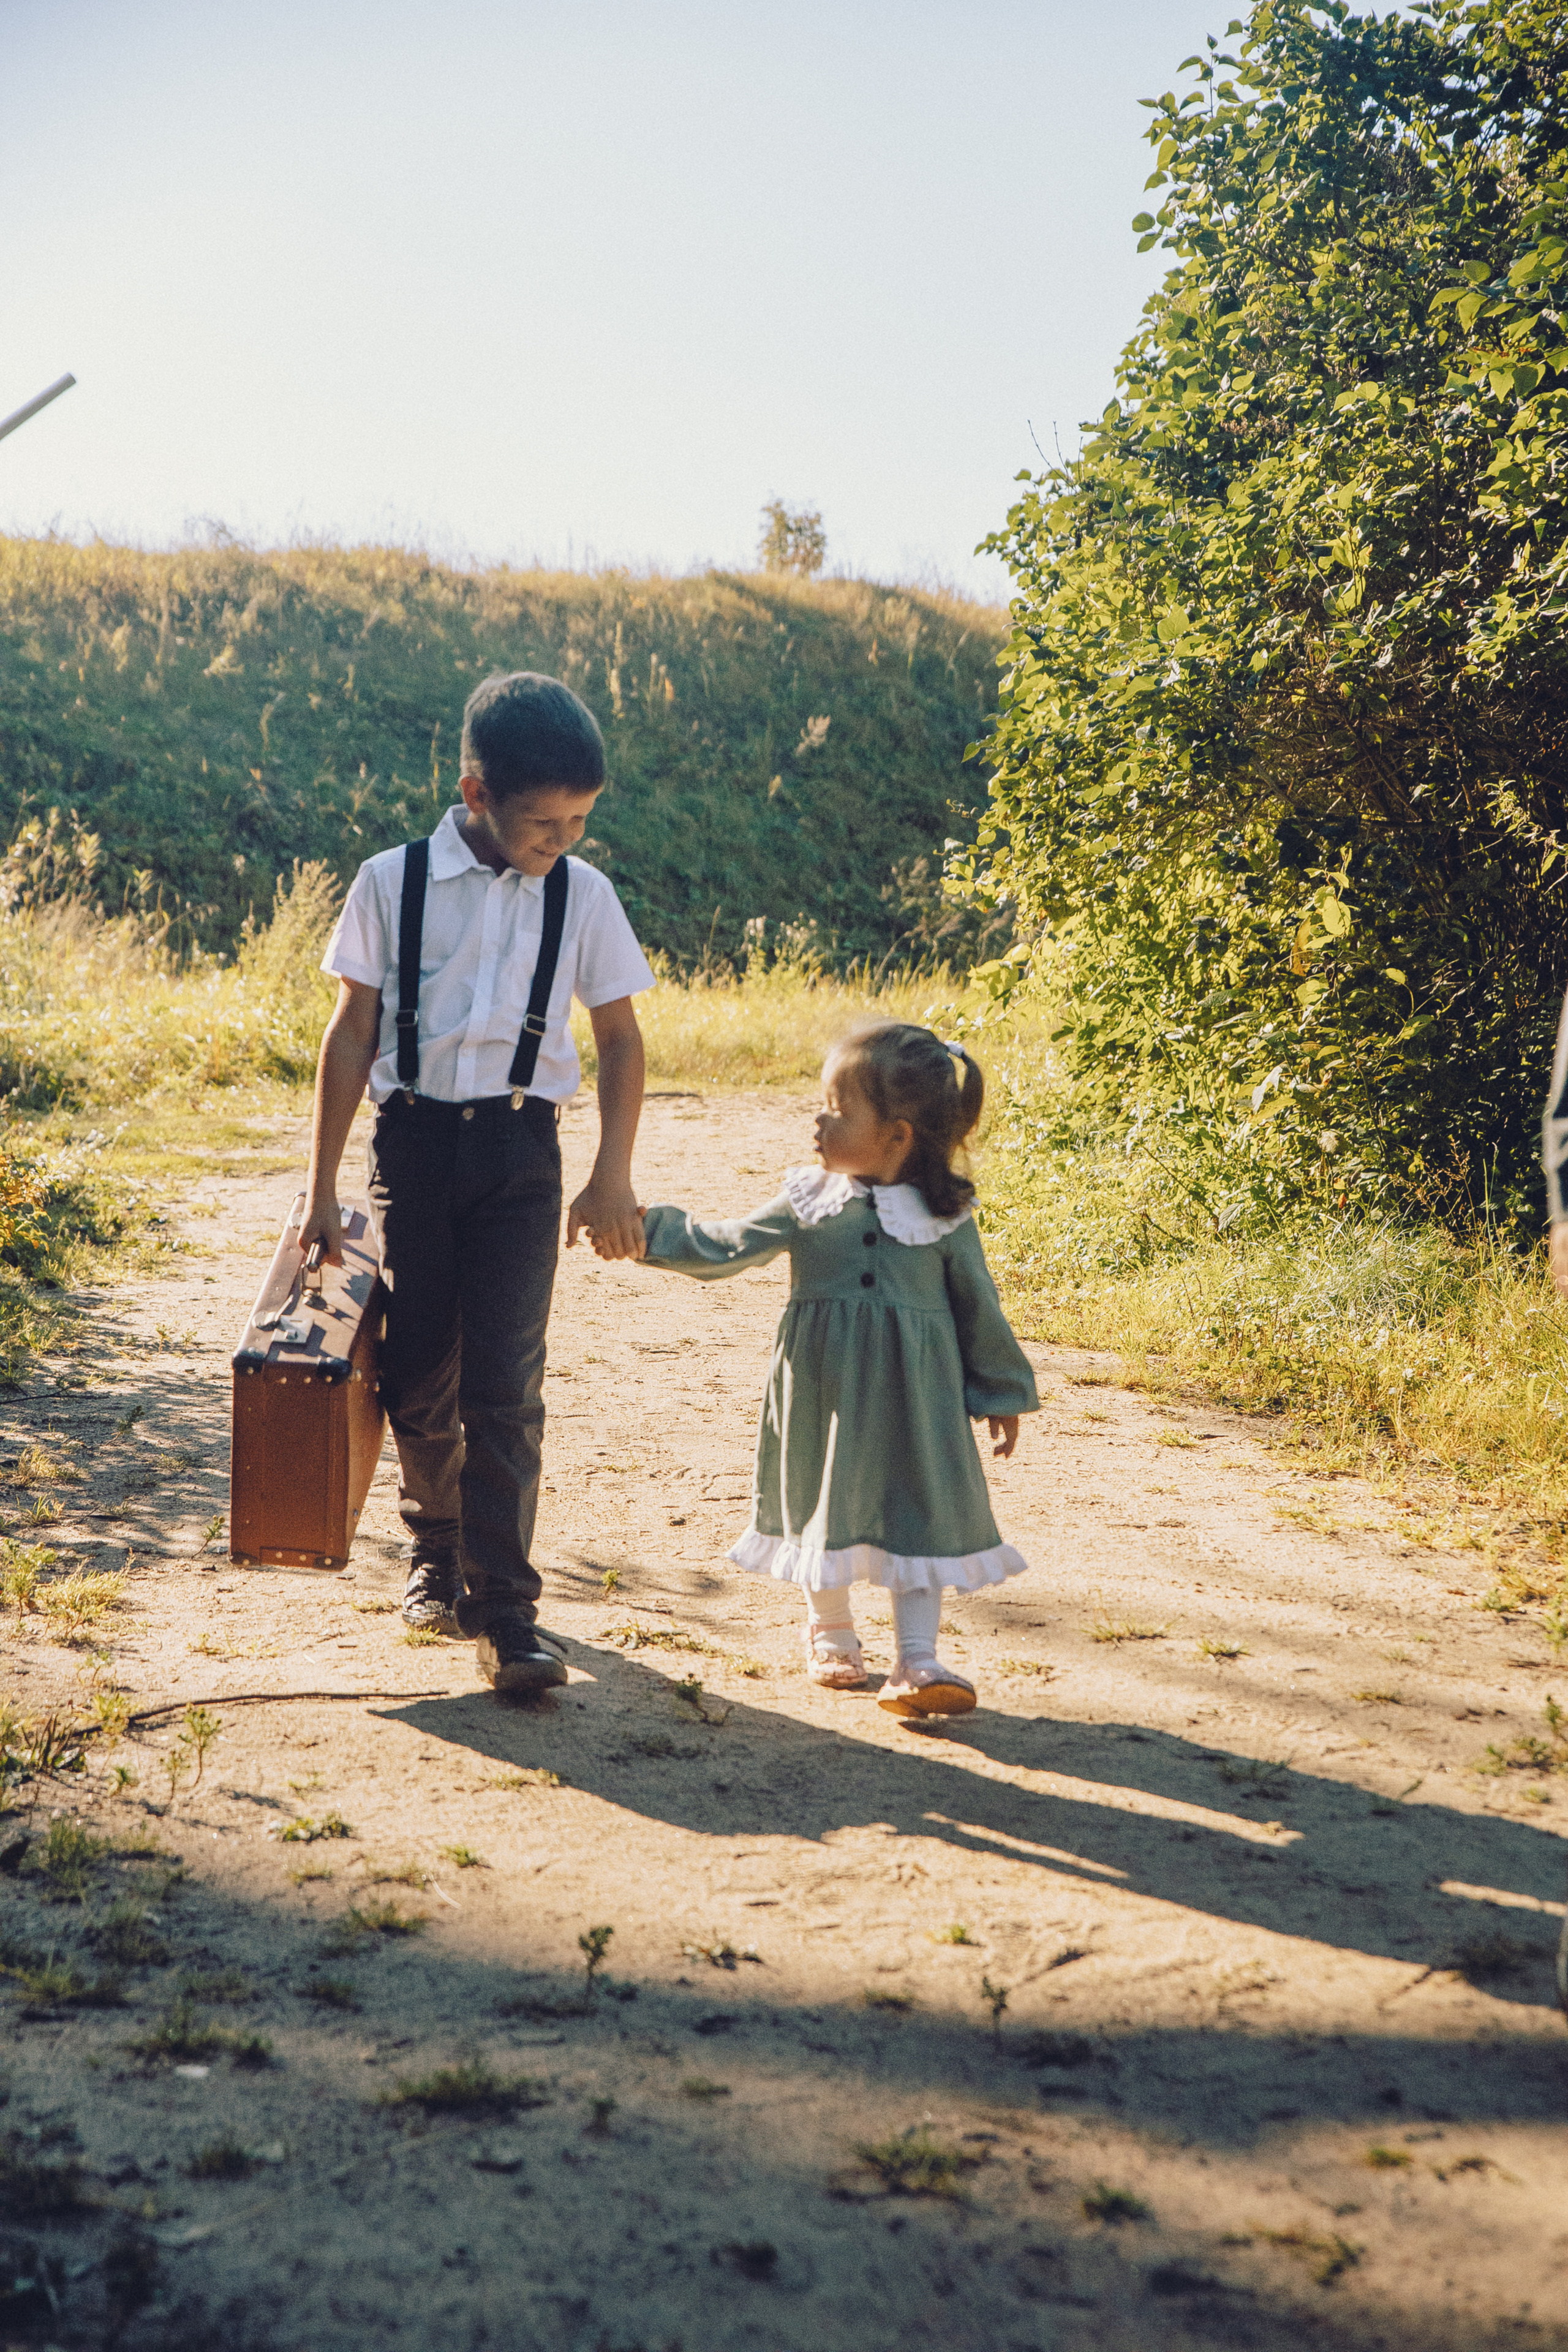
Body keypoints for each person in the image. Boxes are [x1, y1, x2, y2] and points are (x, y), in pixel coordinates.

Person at [300, 671, 652, 1694]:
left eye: (581, 821)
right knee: (420, 1370)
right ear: (477, 793)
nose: (563, 842)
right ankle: (434, 1544)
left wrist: (609, 1175)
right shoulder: (390, 881)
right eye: (545, 823)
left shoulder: (583, 895)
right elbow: (352, 1032)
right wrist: (319, 1188)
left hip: (520, 1157)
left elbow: (622, 1037)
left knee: (509, 1385)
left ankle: (507, 1610)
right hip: (411, 1146)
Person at [616, 1021, 1038, 1716]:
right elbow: (727, 1247)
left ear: (897, 1135)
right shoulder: (809, 1202)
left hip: (917, 1401)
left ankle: (917, 1659)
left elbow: (978, 1310)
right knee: (822, 1501)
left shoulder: (947, 1218)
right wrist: (646, 1232)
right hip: (824, 1394)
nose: (818, 1119)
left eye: (839, 1109)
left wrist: (1001, 1392)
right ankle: (832, 1631)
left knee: (921, 1512)